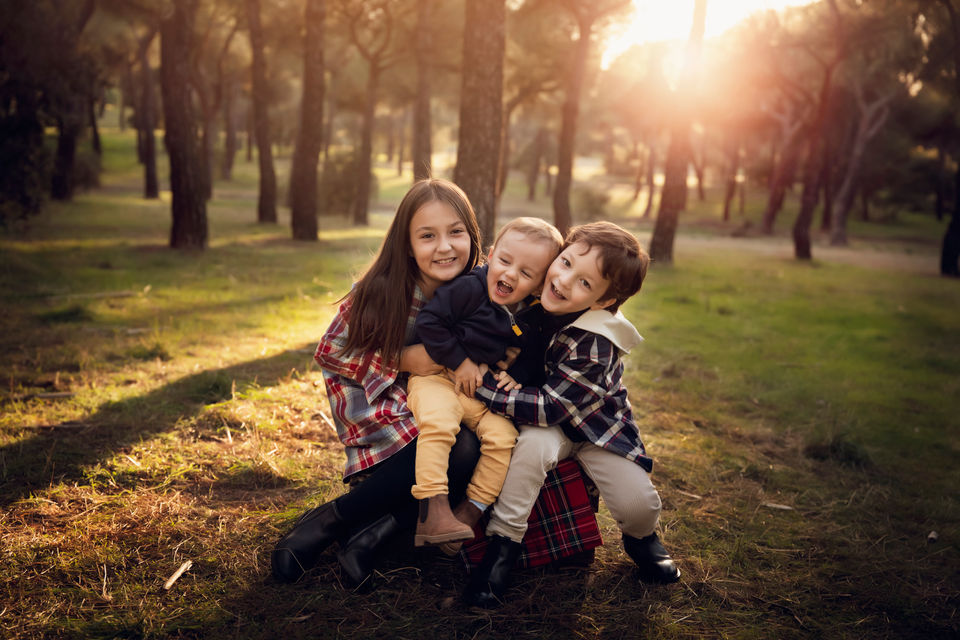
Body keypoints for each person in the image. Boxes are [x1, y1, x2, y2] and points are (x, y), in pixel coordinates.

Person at [271, 179, 485, 585]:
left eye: (456, 232)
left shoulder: (479, 288)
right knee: (453, 447)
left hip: (440, 403)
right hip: (377, 403)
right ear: (407, 245)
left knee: (475, 446)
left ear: (472, 236)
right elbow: (332, 351)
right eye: (428, 236)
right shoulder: (382, 291)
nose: (444, 247)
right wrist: (405, 359)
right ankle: (330, 520)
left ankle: (373, 533)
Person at [463, 221, 681, 608]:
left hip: (595, 428)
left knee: (638, 504)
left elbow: (552, 407)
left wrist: (485, 387)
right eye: (565, 263)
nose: (563, 281)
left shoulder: (597, 340)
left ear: (601, 301)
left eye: (584, 283)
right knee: (529, 450)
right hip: (544, 425)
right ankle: (503, 545)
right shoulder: (531, 302)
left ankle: (642, 538)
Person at [408, 218, 563, 547]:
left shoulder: (530, 313)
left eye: (525, 273)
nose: (509, 274)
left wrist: (516, 374)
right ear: (491, 255)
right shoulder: (470, 287)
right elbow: (430, 322)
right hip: (435, 379)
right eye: (505, 261)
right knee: (439, 422)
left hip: (477, 392)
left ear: (538, 286)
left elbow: (533, 353)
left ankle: (469, 513)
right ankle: (432, 510)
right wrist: (460, 361)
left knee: (504, 437)